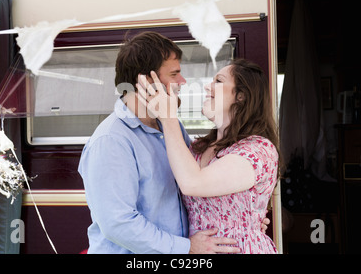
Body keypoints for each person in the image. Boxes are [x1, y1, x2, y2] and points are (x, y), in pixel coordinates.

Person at [78, 31, 242, 254]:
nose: (183, 82)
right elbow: (118, 223)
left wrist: (240, 215)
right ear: (146, 82)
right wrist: (187, 248)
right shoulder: (111, 141)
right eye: (175, 74)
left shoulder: (169, 126)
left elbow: (194, 183)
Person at [137, 58, 280, 254]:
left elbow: (192, 183)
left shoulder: (259, 150)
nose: (207, 87)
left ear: (241, 96)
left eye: (218, 81)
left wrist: (168, 117)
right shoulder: (197, 148)